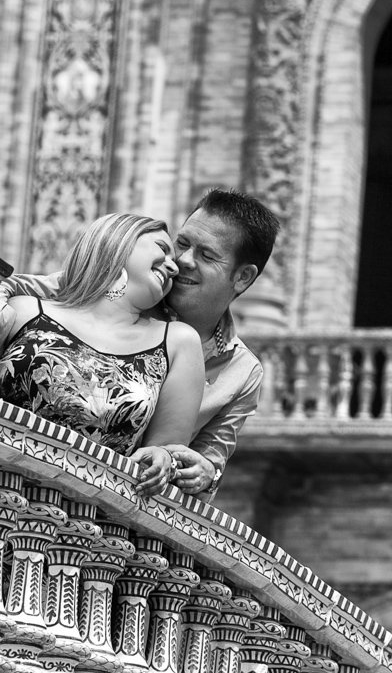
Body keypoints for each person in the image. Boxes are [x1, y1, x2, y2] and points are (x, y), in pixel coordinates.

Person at [1, 188, 279, 497]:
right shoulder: (118, 292)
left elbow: (204, 464)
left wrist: (202, 472)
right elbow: (21, 286)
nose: (182, 260)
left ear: (242, 277)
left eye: (207, 255)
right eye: (182, 243)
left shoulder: (241, 371)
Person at [0, 214, 204, 496]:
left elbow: (168, 448)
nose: (173, 267)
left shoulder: (176, 342)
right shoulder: (25, 312)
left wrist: (163, 459)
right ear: (119, 240)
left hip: (84, 519)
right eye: (161, 248)